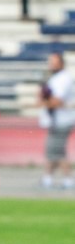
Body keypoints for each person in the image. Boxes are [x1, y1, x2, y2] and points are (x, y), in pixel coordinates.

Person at [38, 51, 75, 189]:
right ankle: (47, 178)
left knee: (56, 152)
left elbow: (57, 101)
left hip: (61, 120)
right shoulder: (55, 77)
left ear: (61, 63)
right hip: (56, 120)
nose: (51, 65)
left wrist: (43, 102)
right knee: (54, 151)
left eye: (54, 62)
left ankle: (66, 179)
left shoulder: (63, 79)